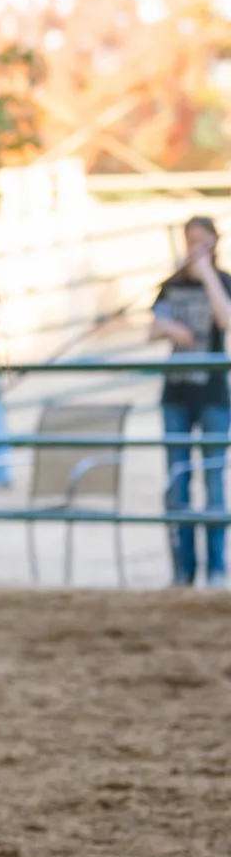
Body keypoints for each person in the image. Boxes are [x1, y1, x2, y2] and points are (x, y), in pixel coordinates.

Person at [150, 216, 231, 588]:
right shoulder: (171, 285)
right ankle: (183, 571)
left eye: (201, 240)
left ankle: (216, 568)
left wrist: (207, 274)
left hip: (213, 396)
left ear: (214, 242)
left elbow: (225, 319)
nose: (194, 247)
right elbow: (153, 326)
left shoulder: (224, 281)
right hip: (176, 395)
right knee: (178, 481)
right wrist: (170, 328)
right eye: (190, 240)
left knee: (214, 480)